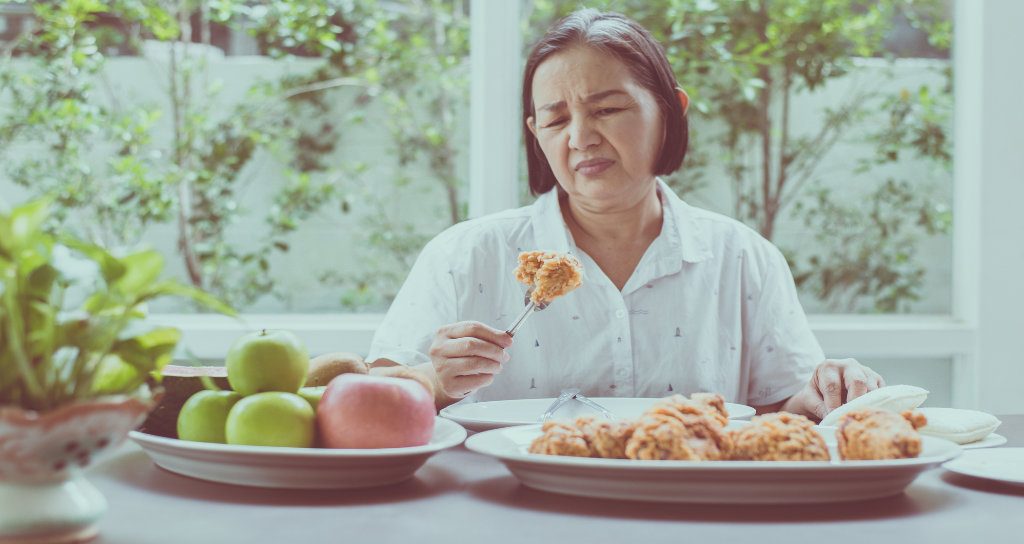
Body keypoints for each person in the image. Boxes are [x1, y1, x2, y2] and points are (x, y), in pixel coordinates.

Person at [366, 8, 884, 420]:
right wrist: (434, 383)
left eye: (607, 109)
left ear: (670, 111)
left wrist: (826, 394)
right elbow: (367, 400)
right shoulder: (464, 255)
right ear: (536, 134)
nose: (580, 137)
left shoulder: (744, 258)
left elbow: (778, 413)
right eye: (556, 119)